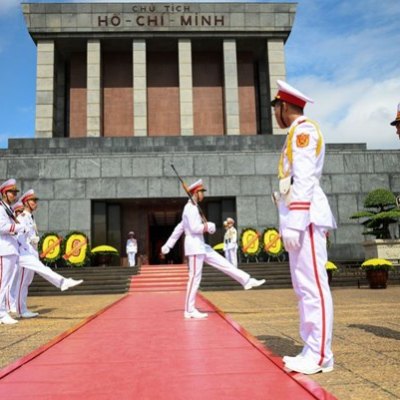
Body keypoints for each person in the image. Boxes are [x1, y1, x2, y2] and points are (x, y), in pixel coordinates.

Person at [271, 80, 337, 375]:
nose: (275, 113)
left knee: (313, 287)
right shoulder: (295, 134)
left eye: (275, 107)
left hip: (307, 219)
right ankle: (312, 347)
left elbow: (305, 178)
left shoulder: (304, 130)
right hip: (299, 218)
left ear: (284, 106)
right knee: (303, 288)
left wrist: (296, 222)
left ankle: (321, 354)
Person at [161, 179, 265, 320]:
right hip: (194, 247)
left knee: (224, 263)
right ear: (195, 193)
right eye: (201, 192)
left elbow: (179, 228)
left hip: (201, 246)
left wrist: (168, 245)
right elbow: (193, 228)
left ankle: (246, 280)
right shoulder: (190, 208)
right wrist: (208, 226)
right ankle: (189, 310)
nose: (203, 194)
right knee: (194, 278)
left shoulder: (193, 207)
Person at [14, 189, 83, 318]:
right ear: (26, 202)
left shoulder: (30, 217)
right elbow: (18, 237)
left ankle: (22, 310)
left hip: (31, 252)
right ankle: (62, 283)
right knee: (24, 280)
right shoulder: (21, 217)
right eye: (33, 200)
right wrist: (27, 247)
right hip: (24, 253)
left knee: (26, 282)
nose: (35, 203)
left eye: (35, 200)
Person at [0, 179, 25, 324]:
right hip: (4, 249)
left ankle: (3, 312)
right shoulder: (1, 208)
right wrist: (19, 228)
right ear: (4, 193)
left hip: (10, 248)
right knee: (3, 283)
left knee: (5, 282)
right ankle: (1, 313)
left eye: (15, 193)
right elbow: (2, 227)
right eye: (11, 192)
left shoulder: (6, 208)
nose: (14, 195)